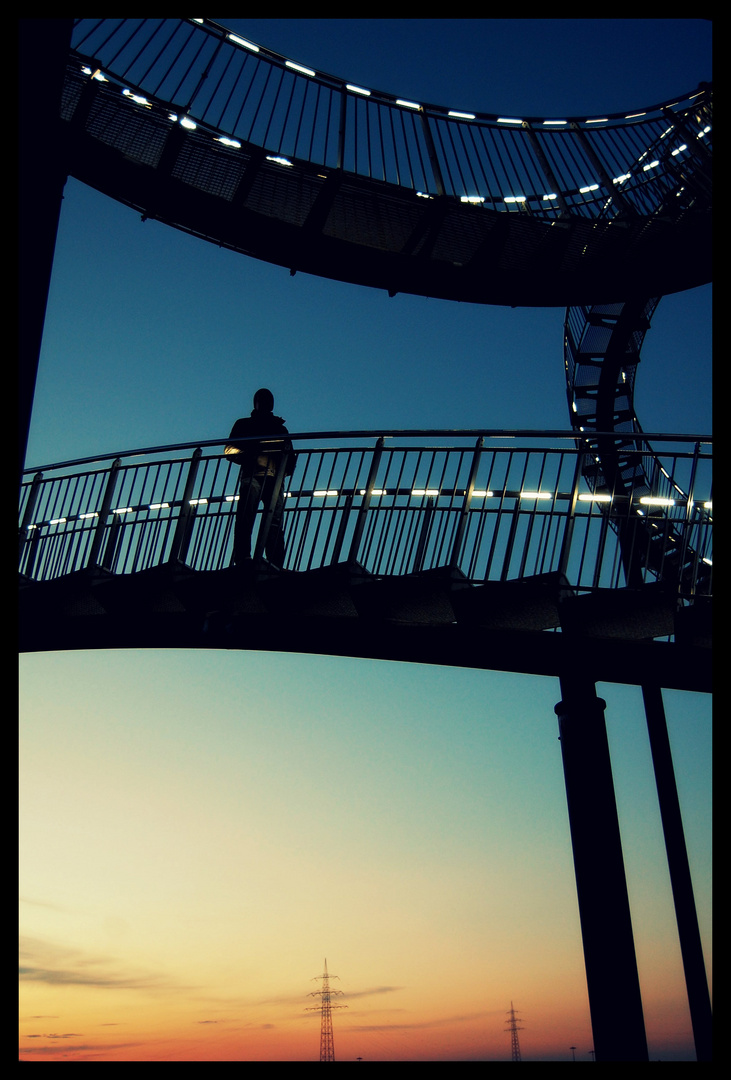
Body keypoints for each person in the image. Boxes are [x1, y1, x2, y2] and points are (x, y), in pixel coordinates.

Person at [225, 388, 295, 567]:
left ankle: (274, 561)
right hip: (254, 475)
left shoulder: (280, 428)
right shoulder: (245, 424)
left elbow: (290, 457)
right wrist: (250, 452)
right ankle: (244, 557)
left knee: (274, 521)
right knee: (247, 518)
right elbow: (229, 450)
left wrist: (284, 469)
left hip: (273, 478)